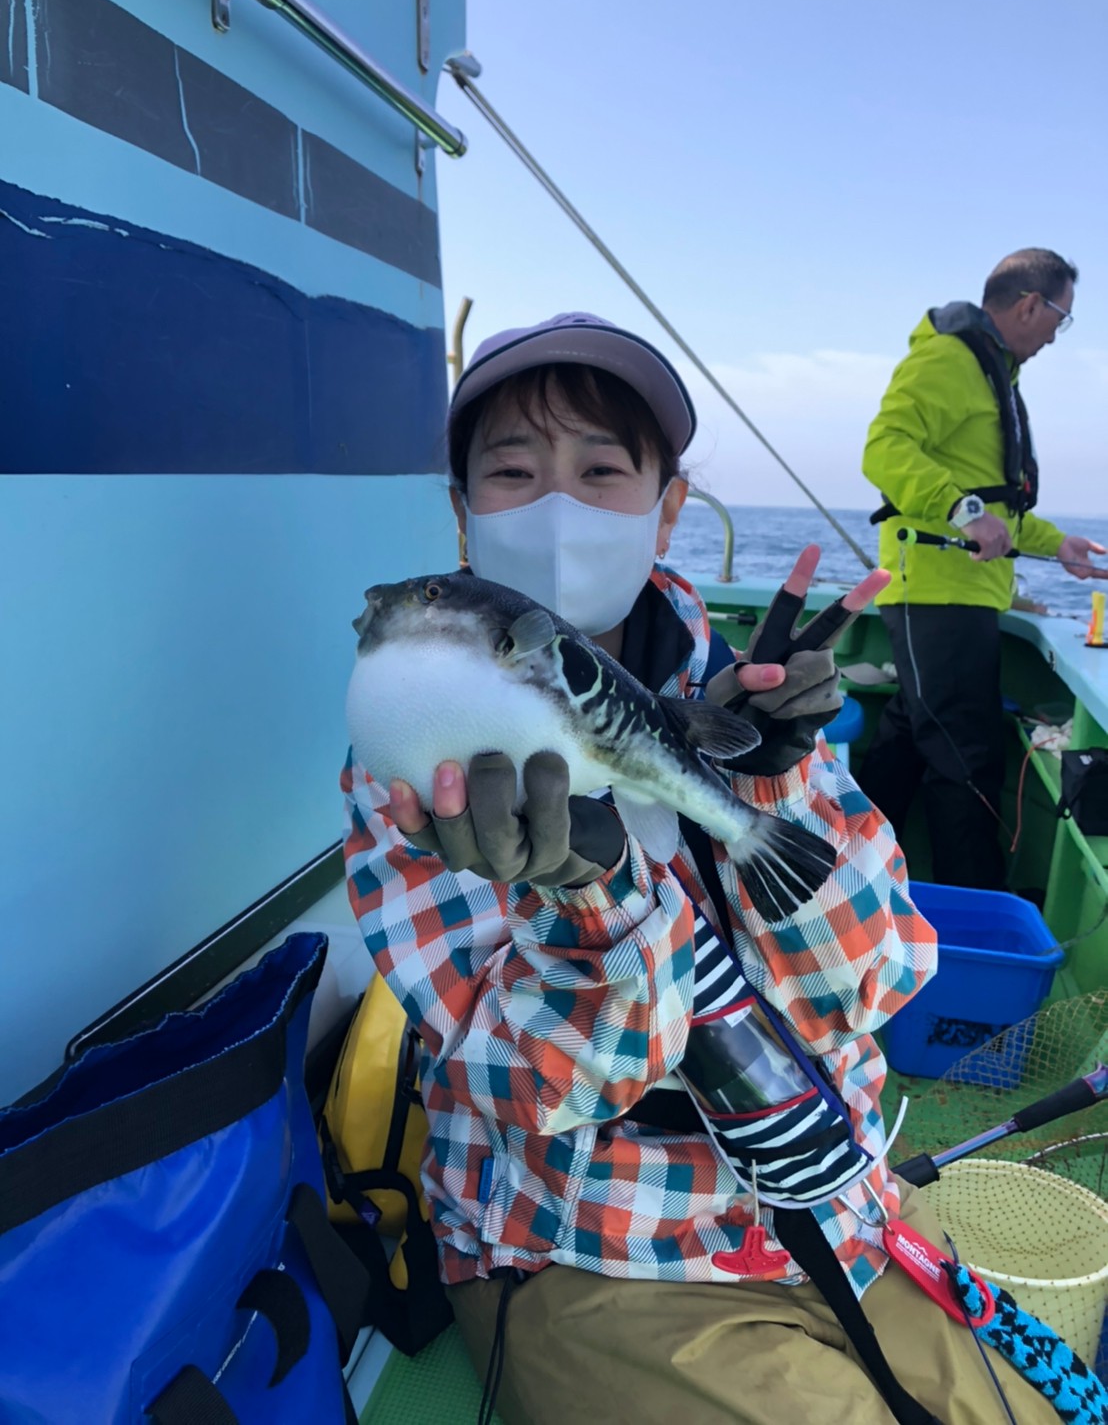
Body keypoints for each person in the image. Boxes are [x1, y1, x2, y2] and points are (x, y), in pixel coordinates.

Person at [342, 313, 1064, 1423]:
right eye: (512, 471)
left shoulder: (740, 694)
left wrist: (776, 781)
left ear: (667, 505)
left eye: (601, 469)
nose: (557, 506)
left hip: (839, 1198)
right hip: (586, 1246)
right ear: (462, 509)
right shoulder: (415, 761)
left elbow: (877, 982)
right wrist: (593, 896)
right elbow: (539, 1093)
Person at [861, 250, 1108, 889]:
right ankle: (975, 905)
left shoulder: (995, 372)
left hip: (968, 594)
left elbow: (1000, 509)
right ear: (1030, 303)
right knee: (965, 758)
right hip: (935, 594)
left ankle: (846, 864)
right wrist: (963, 510)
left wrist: (1059, 548)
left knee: (914, 739)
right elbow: (884, 448)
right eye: (1061, 317)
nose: (1057, 335)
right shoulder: (949, 359)